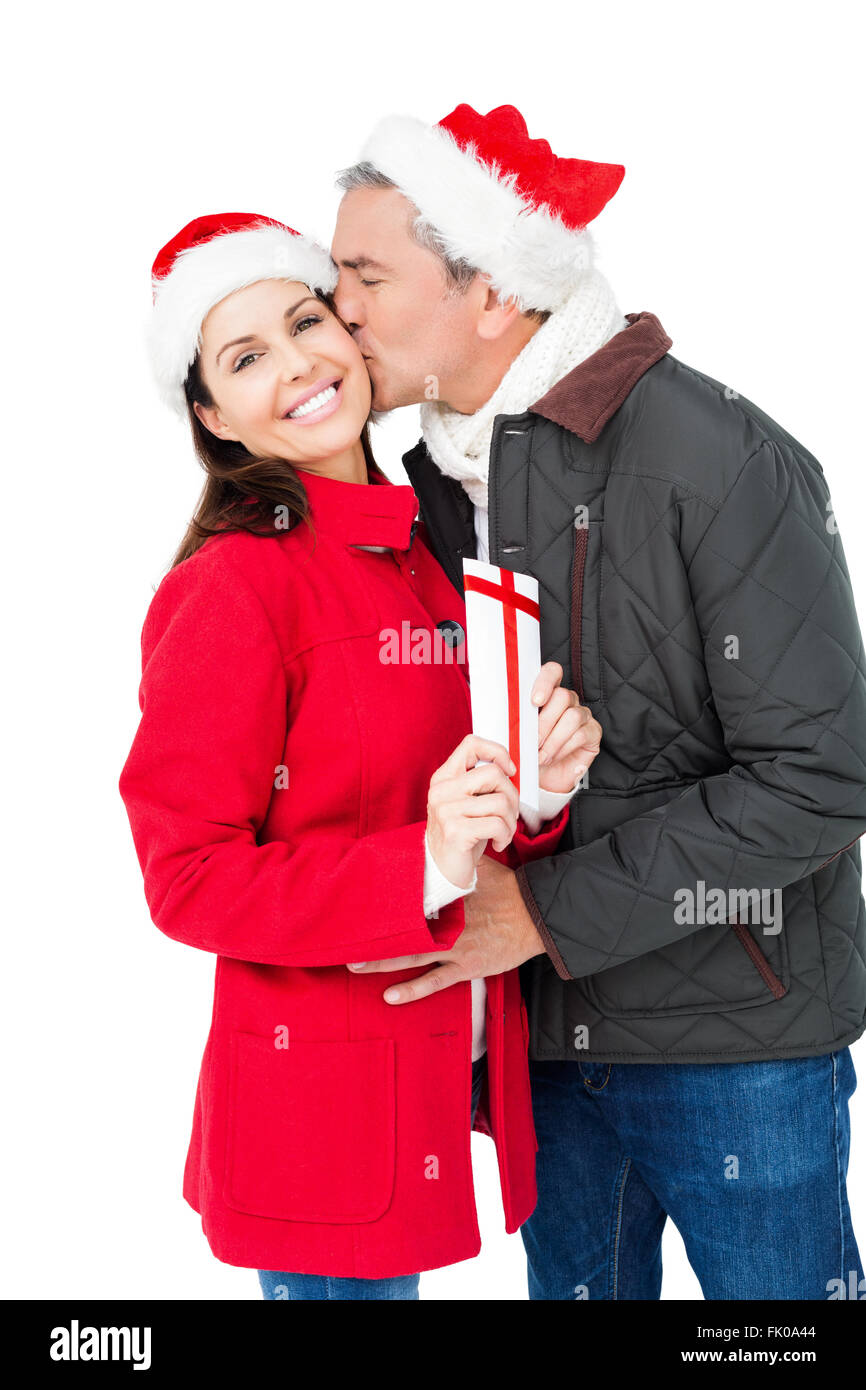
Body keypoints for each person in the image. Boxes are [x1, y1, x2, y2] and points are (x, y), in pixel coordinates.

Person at [331, 103, 866, 1299]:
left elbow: (821, 779)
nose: (339, 309)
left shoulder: (715, 455)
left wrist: (545, 913)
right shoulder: (423, 488)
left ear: (488, 291)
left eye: (365, 273)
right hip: (540, 1055)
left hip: (740, 1051)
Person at [118, 211, 601, 1300]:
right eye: (245, 358)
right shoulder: (229, 588)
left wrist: (539, 788)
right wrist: (421, 863)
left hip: (442, 1073)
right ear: (210, 414)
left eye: (303, 321)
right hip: (318, 1120)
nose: (296, 365)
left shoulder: (425, 555)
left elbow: (454, 801)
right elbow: (186, 878)